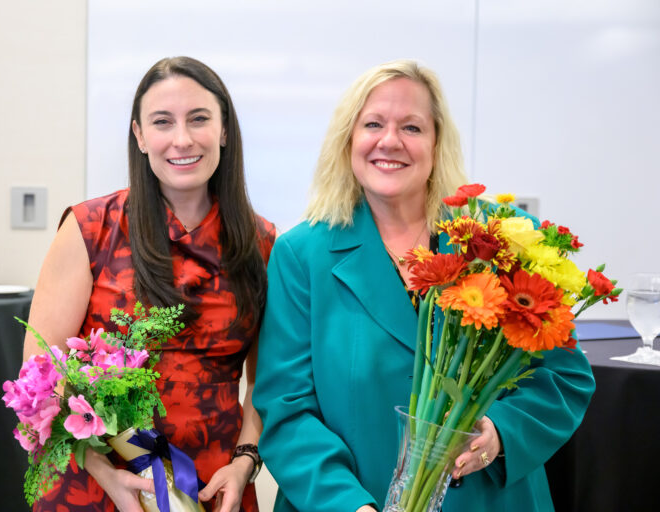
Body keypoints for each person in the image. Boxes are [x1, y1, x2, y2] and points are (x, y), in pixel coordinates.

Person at [252, 59, 595, 512]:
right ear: (348, 140)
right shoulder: (301, 254)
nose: (389, 141)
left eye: (411, 127)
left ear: (437, 142)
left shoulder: (504, 240)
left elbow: (565, 376)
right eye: (373, 123)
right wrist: (350, 507)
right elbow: (287, 409)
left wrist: (498, 433)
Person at [23, 56, 275, 512]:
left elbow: (264, 382)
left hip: (214, 488)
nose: (182, 139)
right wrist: (106, 475)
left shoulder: (262, 244)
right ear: (139, 135)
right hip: (99, 486)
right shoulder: (89, 229)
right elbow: (41, 381)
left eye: (199, 119)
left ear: (223, 131)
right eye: (163, 122)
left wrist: (244, 462)